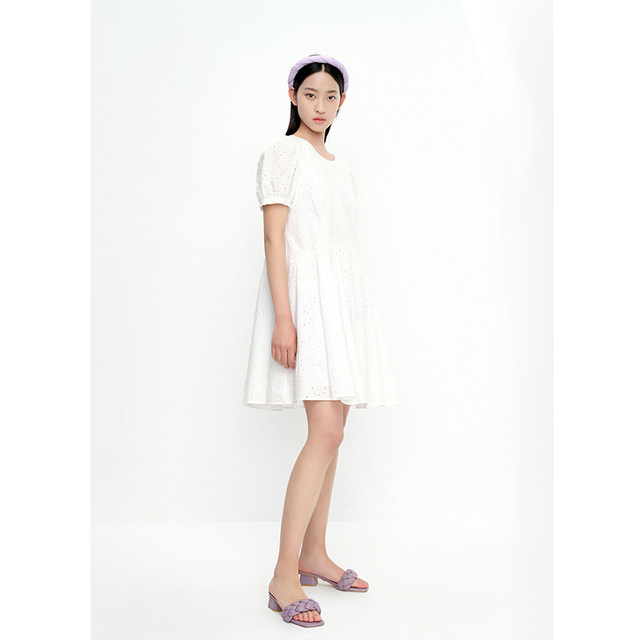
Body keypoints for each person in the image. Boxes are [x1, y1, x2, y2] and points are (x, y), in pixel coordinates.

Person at [241, 53, 399, 628]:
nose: (320, 106)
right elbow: (274, 238)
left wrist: (352, 317)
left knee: (335, 434)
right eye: (310, 94)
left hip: (343, 305)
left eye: (331, 97)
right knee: (325, 431)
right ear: (292, 95)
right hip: (306, 302)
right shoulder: (283, 153)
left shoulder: (342, 169)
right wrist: (285, 318)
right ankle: (284, 575)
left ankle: (314, 554)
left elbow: (342, 248)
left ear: (342, 103)